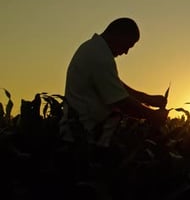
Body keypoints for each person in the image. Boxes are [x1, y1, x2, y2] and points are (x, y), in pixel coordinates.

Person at [59, 17, 167, 148]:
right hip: (83, 141)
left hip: (82, 137)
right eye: (127, 45)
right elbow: (121, 102)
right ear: (118, 35)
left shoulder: (93, 49)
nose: (126, 52)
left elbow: (117, 87)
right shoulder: (100, 57)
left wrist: (148, 99)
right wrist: (153, 116)